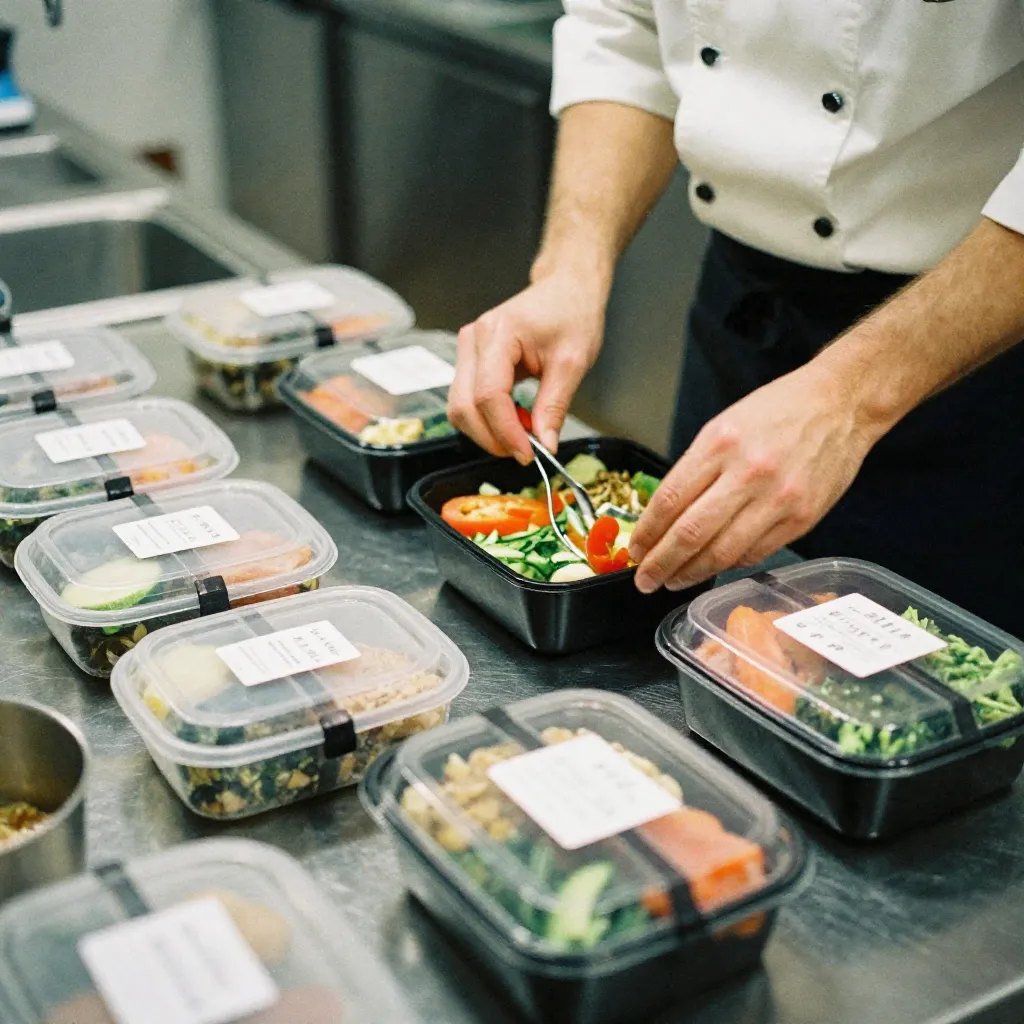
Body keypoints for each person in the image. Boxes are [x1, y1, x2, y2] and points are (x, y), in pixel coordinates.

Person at [447, 0, 1024, 635]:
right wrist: (568, 271)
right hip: (747, 313)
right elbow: (625, 29)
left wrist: (849, 397)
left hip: (974, 341)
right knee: (692, 648)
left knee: (946, 688)